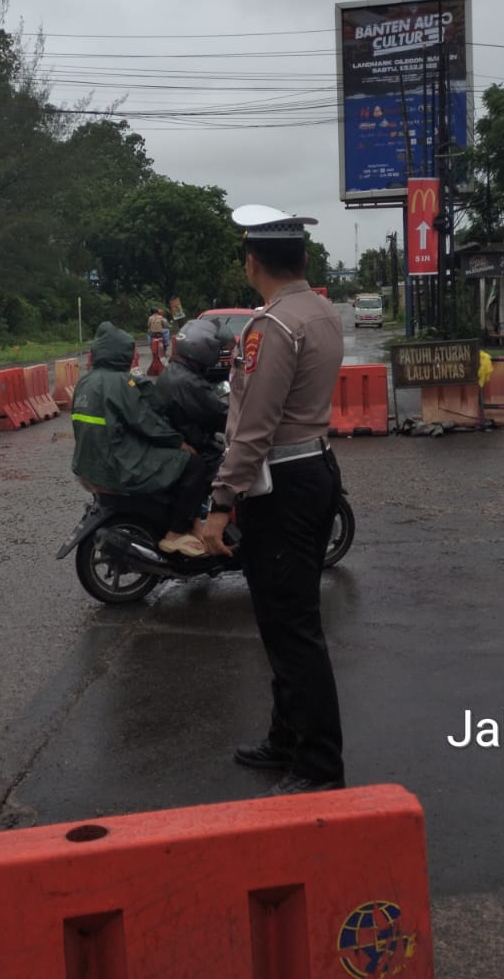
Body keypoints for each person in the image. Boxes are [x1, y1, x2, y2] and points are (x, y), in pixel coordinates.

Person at [198, 204, 345, 796]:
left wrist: (219, 504)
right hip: (314, 469)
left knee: (292, 628)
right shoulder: (323, 312)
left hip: (281, 485)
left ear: (251, 262)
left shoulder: (273, 327)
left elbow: (254, 427)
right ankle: (285, 738)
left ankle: (319, 765)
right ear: (303, 258)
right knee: (285, 622)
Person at [70, 321, 208, 557]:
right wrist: (179, 442)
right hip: (118, 465)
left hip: (88, 465)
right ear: (121, 354)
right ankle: (175, 534)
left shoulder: (86, 381)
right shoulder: (119, 383)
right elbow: (147, 423)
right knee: (194, 464)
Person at [152, 318, 229, 452]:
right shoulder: (190, 383)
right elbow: (222, 417)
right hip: (197, 449)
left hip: (180, 439)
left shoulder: (172, 369)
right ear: (202, 348)